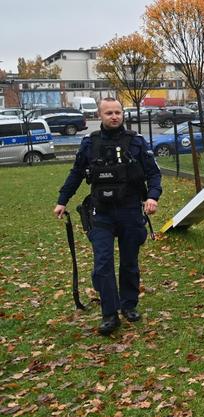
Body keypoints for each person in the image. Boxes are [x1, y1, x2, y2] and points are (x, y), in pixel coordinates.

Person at [53, 97, 162, 336]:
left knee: (129, 262)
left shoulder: (136, 143)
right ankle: (109, 313)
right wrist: (62, 200)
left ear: (123, 114)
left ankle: (129, 305)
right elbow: (76, 173)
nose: (114, 117)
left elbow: (154, 174)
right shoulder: (89, 144)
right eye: (108, 113)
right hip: (101, 213)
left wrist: (152, 197)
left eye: (117, 112)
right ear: (99, 116)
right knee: (102, 264)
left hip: (130, 211)